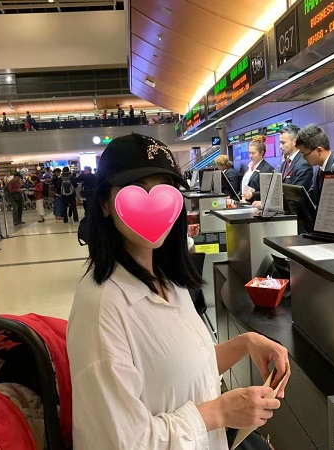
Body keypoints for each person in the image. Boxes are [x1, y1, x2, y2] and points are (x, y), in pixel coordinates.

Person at [67, 133, 289, 450]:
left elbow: (180, 371)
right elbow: (118, 441)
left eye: (165, 191)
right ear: (104, 204)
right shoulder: (101, 308)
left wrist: (245, 343)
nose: (152, 206)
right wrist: (219, 412)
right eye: (136, 191)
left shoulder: (168, 280)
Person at [279, 125, 313, 192]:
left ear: (294, 142)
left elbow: (294, 193)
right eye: (280, 143)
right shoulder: (284, 164)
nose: (280, 146)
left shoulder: (304, 164)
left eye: (283, 143)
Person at [241, 135, 273, 203]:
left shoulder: (267, 169)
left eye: (253, 153)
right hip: (244, 202)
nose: (250, 156)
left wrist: (252, 194)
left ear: (261, 153)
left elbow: (268, 192)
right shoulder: (249, 167)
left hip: (256, 204)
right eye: (249, 153)